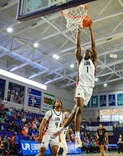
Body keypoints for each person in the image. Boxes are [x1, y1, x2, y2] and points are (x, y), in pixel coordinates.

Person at [51, 21, 97, 149]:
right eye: (85, 52)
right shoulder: (80, 60)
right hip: (81, 86)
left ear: (92, 55)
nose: (87, 52)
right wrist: (79, 31)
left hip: (90, 89)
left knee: (75, 111)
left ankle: (61, 130)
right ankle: (77, 136)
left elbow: (93, 45)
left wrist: (91, 29)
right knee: (79, 108)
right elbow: (78, 46)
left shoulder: (94, 60)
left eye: (89, 52)